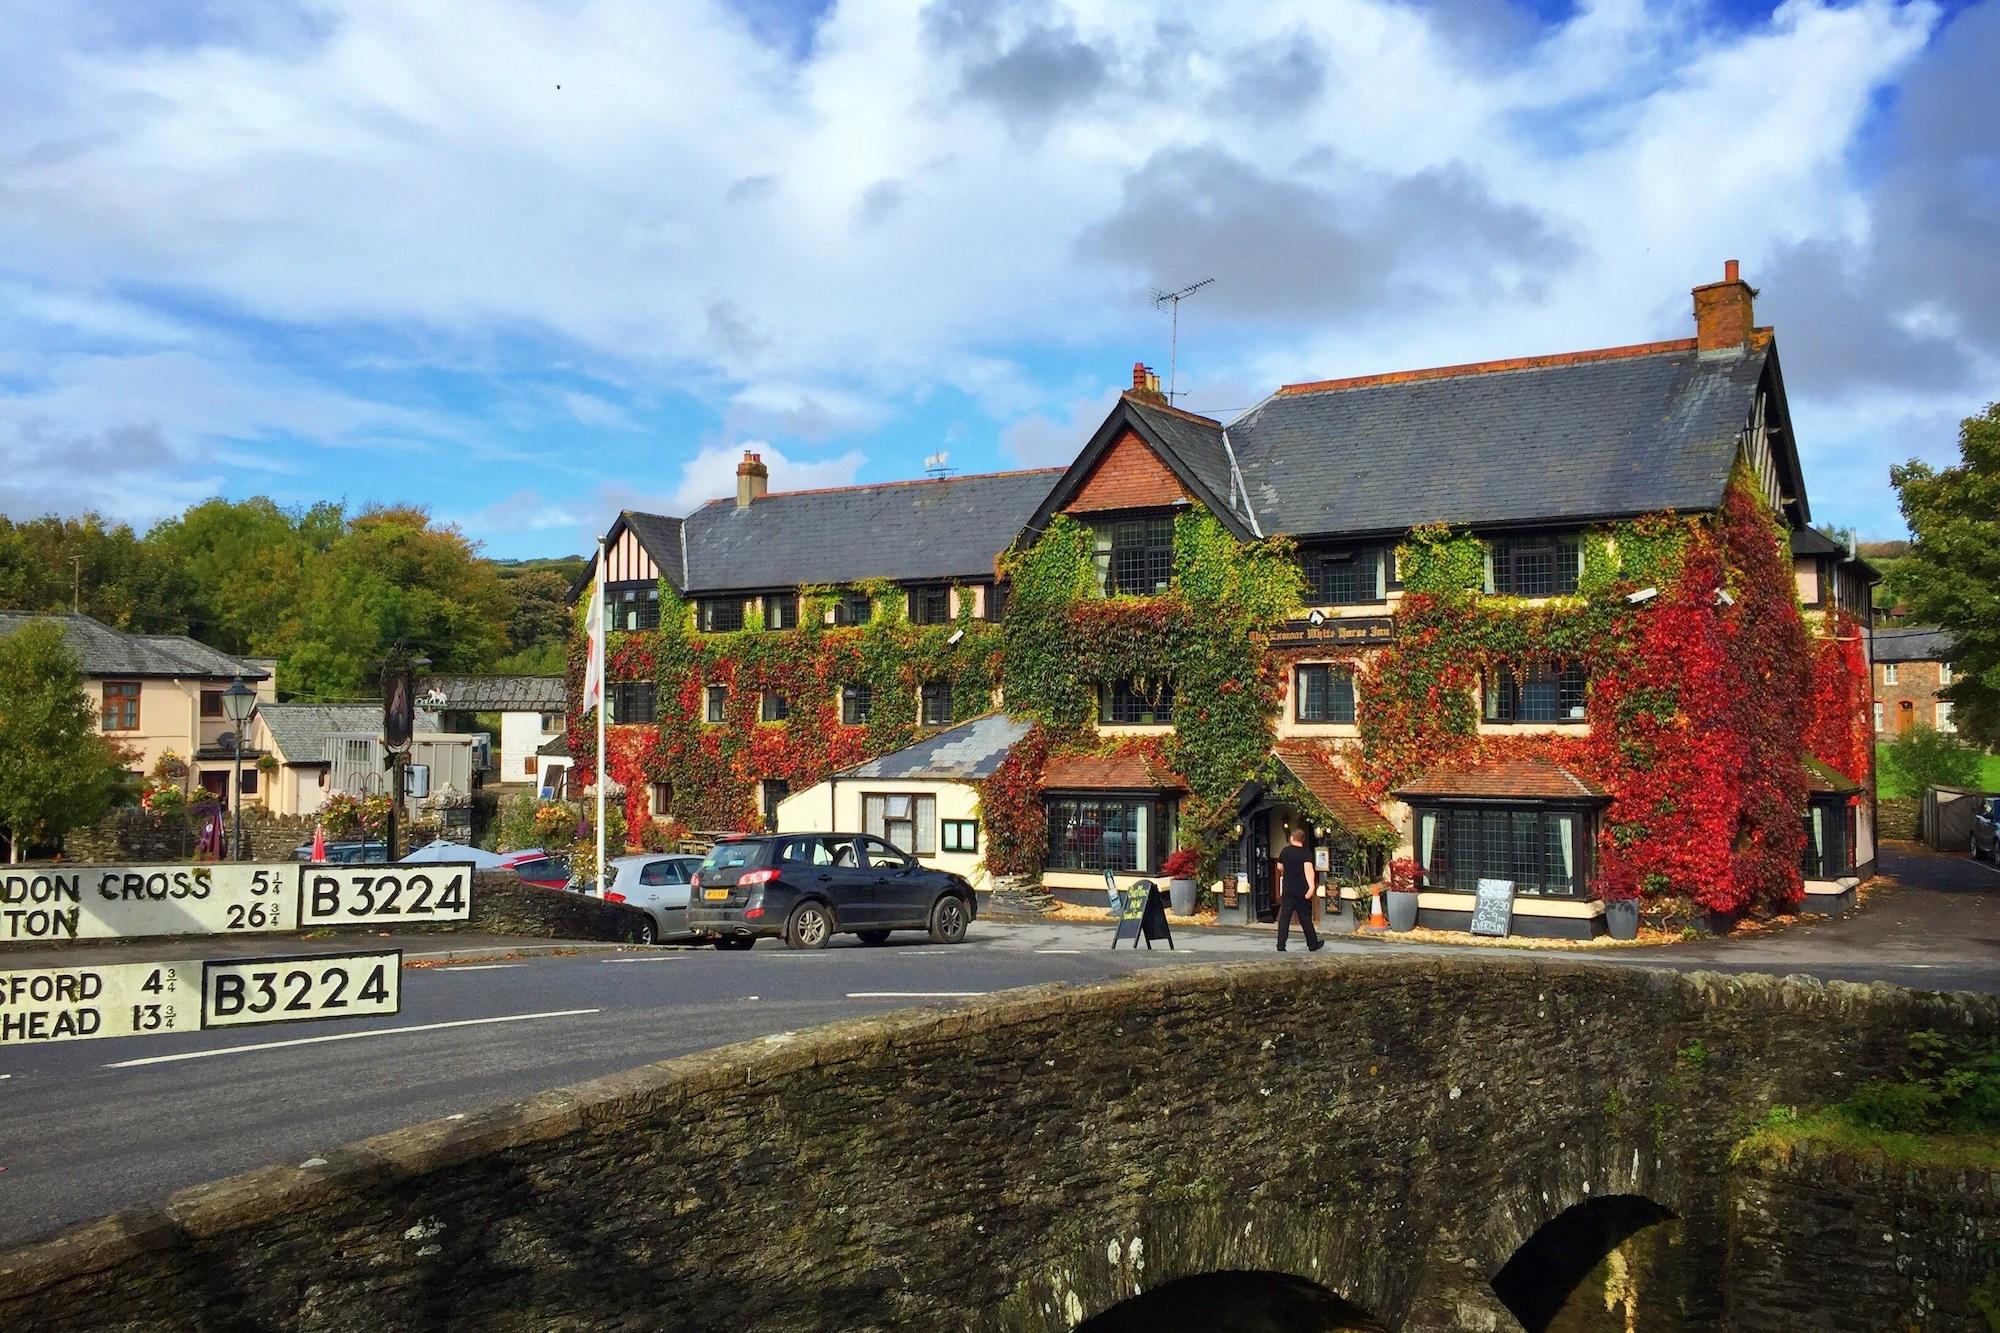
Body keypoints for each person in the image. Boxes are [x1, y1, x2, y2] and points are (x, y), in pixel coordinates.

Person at [1275, 828, 1324, 953]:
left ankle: (1281, 945)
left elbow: (1279, 866)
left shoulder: (1285, 851)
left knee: (1284, 918)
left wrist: (1286, 872)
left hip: (1288, 889)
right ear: (1303, 840)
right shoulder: (1306, 854)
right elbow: (1309, 871)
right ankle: (1312, 944)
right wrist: (1311, 888)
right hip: (1301, 890)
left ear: (1292, 838)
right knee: (1305, 918)